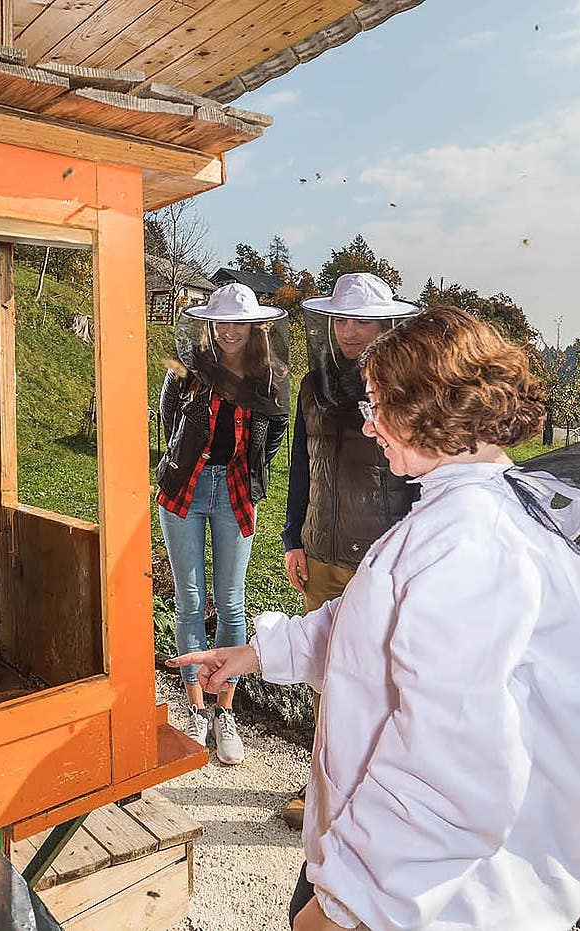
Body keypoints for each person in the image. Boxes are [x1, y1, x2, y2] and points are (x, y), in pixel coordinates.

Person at [169, 306, 580, 930]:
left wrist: (346, 905)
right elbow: (374, 622)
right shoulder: (463, 515)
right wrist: (259, 653)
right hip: (407, 877)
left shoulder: (469, 545)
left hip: (434, 898)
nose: (369, 425)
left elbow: (450, 772)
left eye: (378, 404)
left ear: (429, 407)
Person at [281, 272, 419, 828]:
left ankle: (377, 798)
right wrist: (294, 538)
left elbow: (418, 475)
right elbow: (301, 466)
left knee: (382, 680)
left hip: (381, 558)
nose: (350, 331)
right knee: (324, 675)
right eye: (342, 319)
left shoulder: (406, 388)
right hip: (321, 551)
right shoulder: (313, 386)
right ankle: (320, 788)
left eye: (362, 320)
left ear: (387, 324)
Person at [157, 282, 289, 764]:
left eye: (239, 321)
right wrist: (172, 470)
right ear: (210, 324)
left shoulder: (270, 377)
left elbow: (273, 435)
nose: (230, 330)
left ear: (255, 327)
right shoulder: (189, 370)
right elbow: (166, 428)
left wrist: (252, 478)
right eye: (222, 321)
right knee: (191, 601)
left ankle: (224, 710)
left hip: (234, 493)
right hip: (186, 491)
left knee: (231, 603)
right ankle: (195, 707)